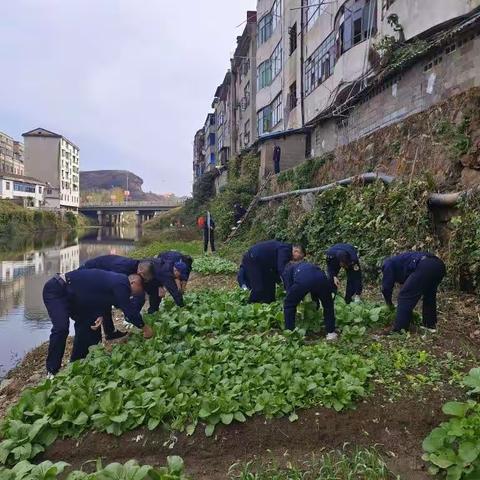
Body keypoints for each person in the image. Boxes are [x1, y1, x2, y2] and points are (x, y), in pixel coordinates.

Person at [43, 269, 153, 376]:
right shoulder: (122, 283)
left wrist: (99, 314)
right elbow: (128, 310)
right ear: (133, 282)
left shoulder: (116, 282)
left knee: (90, 324)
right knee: (61, 328)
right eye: (140, 288)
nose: (139, 292)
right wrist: (145, 328)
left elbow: (101, 295)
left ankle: (77, 362)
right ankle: (52, 370)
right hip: (57, 290)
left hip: (76, 295)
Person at [80, 255, 154, 339]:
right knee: (99, 306)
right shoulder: (122, 269)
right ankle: (94, 339)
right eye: (144, 279)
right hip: (87, 274)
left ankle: (110, 333)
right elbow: (120, 296)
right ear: (140, 273)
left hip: (100, 277)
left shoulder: (134, 268)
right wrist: (144, 327)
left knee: (107, 302)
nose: (144, 281)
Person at [381, 252, 446, 334]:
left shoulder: (388, 264)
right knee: (429, 295)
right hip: (438, 265)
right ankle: (429, 325)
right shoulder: (400, 261)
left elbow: (386, 287)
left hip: (425, 265)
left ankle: (399, 330)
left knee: (404, 296)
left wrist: (389, 303)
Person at [283, 261, 337, 340]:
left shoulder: (288, 270)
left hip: (304, 281)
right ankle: (331, 333)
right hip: (322, 278)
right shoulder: (307, 264)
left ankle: (289, 333)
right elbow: (314, 284)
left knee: (288, 304)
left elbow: (289, 290)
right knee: (328, 305)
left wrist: (296, 300)